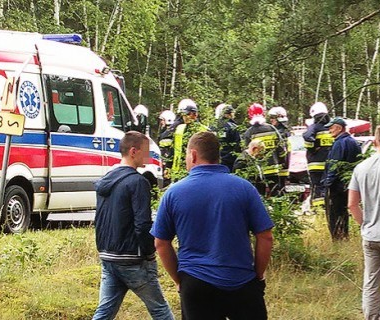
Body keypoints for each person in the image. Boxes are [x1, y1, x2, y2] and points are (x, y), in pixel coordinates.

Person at [152, 132, 274, 320]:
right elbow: (265, 236)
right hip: (242, 281)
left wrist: (180, 280)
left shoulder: (174, 193)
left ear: (193, 155)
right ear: (217, 155)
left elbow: (161, 243)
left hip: (196, 283)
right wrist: (257, 275)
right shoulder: (244, 188)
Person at [92, 131, 174, 320]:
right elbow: (142, 223)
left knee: (104, 313)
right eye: (146, 152)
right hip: (133, 259)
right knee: (160, 310)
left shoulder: (107, 179)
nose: (148, 156)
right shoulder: (138, 182)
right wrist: (148, 253)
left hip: (108, 256)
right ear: (133, 151)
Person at [348, 124, 380, 320]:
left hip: (369, 235)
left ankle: (371, 317)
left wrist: (364, 225)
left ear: (375, 141)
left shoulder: (361, 167)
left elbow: (352, 204)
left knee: (371, 281)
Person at [322, 117, 361, 240]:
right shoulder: (353, 142)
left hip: (336, 186)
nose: (329, 131)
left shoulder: (340, 143)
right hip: (348, 184)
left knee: (334, 213)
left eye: (331, 128)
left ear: (339, 128)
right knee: (343, 212)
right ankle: (344, 236)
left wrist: (328, 183)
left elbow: (334, 165)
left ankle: (338, 238)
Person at [158, 99, 203, 184]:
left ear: (195, 115)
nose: (184, 117)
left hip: (194, 171)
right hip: (177, 172)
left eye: (187, 115)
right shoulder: (179, 129)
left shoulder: (202, 130)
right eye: (183, 115)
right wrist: (168, 167)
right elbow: (173, 150)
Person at [243, 103, 284, 196]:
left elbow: (247, 153)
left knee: (259, 195)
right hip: (274, 169)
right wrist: (281, 162)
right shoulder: (272, 128)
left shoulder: (249, 132)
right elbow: (281, 148)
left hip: (258, 171)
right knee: (276, 194)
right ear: (263, 114)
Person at [303, 102, 334, 209]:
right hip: (329, 164)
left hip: (315, 164)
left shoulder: (314, 127)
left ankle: (318, 209)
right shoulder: (332, 128)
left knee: (317, 187)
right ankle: (327, 208)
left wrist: (312, 148)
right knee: (328, 186)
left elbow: (307, 138)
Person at [213, 103, 241, 172]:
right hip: (230, 162)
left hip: (215, 161)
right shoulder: (233, 127)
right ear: (228, 114)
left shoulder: (212, 127)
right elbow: (238, 145)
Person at [268, 106, 291, 190]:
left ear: (279, 118)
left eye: (273, 118)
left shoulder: (281, 133)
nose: (271, 120)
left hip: (282, 165)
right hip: (282, 165)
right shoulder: (284, 131)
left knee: (278, 189)